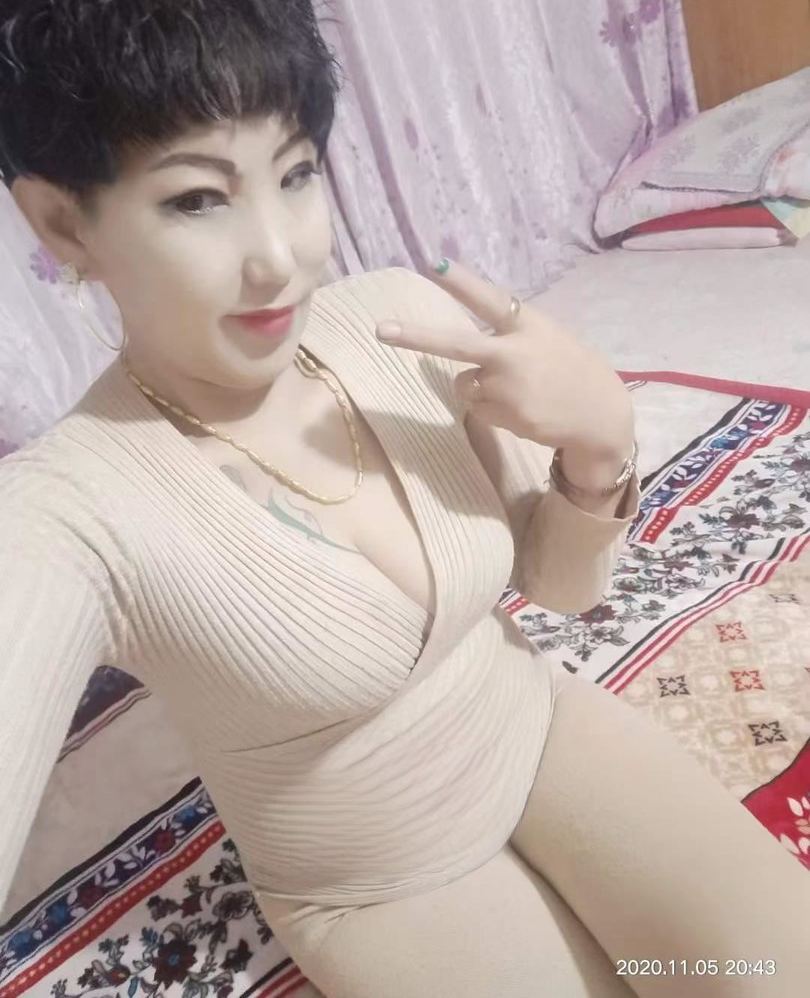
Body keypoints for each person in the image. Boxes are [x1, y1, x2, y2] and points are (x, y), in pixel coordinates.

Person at [0, 1, 808, 995]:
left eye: (296, 174)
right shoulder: (64, 510)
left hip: (541, 727)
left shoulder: (398, 316)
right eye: (198, 199)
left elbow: (560, 586)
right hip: (376, 878)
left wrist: (599, 443)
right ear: (61, 221)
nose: (280, 256)